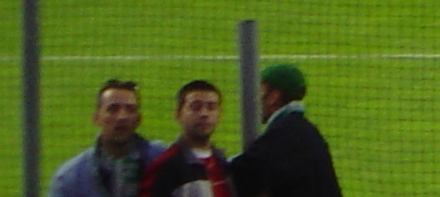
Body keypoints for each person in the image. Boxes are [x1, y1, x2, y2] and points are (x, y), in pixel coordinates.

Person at [227, 63, 340, 197]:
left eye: (260, 91)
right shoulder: (306, 130)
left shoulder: (281, 135)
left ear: (273, 97)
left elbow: (242, 171)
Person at [50, 78, 161, 197]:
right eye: (113, 109)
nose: (122, 117)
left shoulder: (165, 161)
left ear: (139, 119)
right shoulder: (70, 178)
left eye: (130, 109)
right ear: (97, 118)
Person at [140, 81, 232, 197]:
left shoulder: (222, 163)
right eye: (196, 107)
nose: (204, 113)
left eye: (211, 107)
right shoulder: (166, 167)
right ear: (178, 114)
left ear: (220, 114)